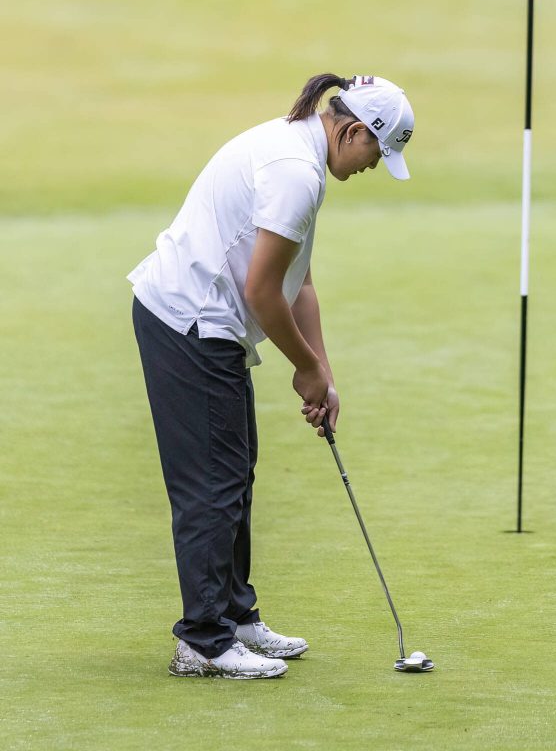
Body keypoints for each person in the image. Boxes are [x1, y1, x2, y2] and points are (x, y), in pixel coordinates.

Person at [128, 73, 414, 680]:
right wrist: (303, 367)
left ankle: (235, 615)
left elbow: (297, 281)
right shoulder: (295, 171)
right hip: (188, 320)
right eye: (376, 152)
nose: (372, 166)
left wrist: (323, 370)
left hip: (208, 323)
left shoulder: (304, 153)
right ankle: (204, 641)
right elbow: (261, 290)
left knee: (235, 469)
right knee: (213, 482)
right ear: (354, 130)